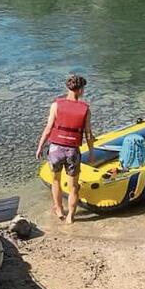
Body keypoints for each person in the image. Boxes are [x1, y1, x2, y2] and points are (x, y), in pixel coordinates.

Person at [36, 74, 94, 224]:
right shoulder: (85, 109)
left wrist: (40, 146)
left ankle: (59, 209)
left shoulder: (56, 105)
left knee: (56, 181)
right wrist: (92, 152)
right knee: (74, 186)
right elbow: (88, 134)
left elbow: (48, 128)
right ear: (81, 90)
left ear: (67, 87)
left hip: (55, 149)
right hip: (72, 151)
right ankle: (70, 217)